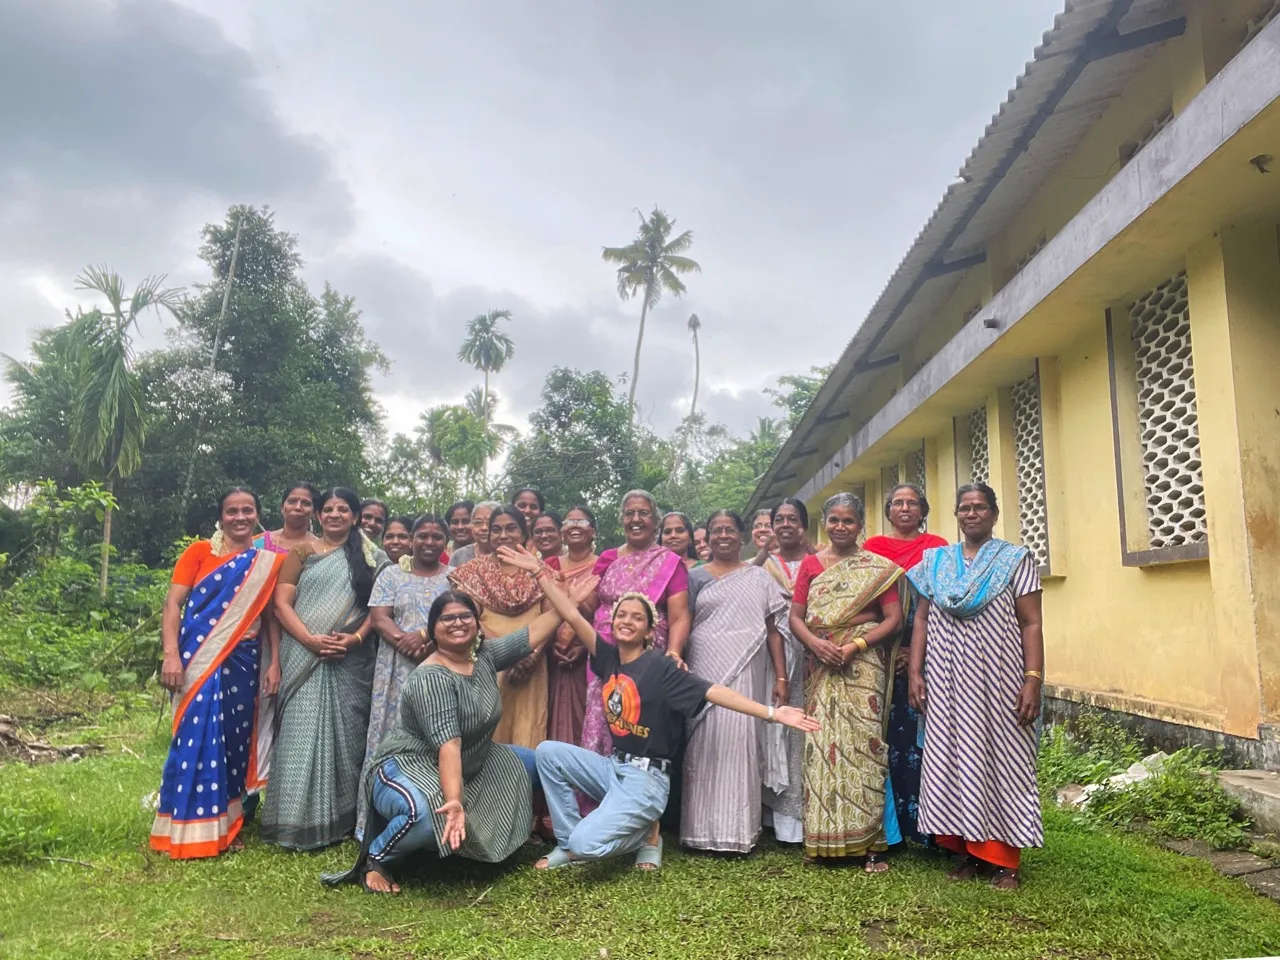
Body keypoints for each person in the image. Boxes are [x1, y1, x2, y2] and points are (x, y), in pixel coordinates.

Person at [507, 545, 820, 872]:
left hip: (648, 779)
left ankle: (645, 835)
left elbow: (714, 691)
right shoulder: (608, 657)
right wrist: (539, 572)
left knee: (588, 844)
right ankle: (570, 841)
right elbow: (571, 614)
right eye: (622, 615)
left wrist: (772, 713)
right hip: (613, 769)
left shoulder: (661, 667)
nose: (627, 620)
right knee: (547, 753)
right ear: (612, 622)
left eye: (637, 617)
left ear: (648, 630)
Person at [325, 576, 600, 894]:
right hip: (409, 766)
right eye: (447, 618)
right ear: (434, 628)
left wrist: (569, 605)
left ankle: (565, 843)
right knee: (426, 816)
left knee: (538, 763)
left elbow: (531, 635)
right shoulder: (432, 677)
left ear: (476, 623)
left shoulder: (482, 656)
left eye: (465, 616)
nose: (457, 623)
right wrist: (454, 801)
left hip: (474, 759)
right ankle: (378, 858)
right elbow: (449, 745)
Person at [908, 483, 1044, 890]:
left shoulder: (1014, 559)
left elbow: (1031, 622)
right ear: (956, 514)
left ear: (994, 514)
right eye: (965, 508)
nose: (972, 514)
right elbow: (920, 619)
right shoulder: (934, 561)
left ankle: (1005, 861)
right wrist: (916, 672)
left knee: (1004, 762)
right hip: (947, 684)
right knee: (953, 760)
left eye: (980, 507)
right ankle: (968, 852)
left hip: (999, 681)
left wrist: (1032, 679)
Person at [151, 488, 284, 859]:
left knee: (233, 742)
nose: (239, 517)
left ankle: (229, 825)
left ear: (257, 515)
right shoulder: (199, 553)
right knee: (193, 737)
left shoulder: (264, 562)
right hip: (199, 658)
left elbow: (271, 616)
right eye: (231, 511)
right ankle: (180, 822)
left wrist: (275, 663)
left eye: (247, 510)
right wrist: (171, 656)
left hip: (245, 659)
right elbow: (172, 605)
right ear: (221, 516)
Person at [261, 487, 389, 850]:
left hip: (351, 661)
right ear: (319, 516)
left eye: (343, 510)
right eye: (329, 510)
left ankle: (341, 819)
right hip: (303, 655)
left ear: (355, 516)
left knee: (347, 738)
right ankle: (290, 822)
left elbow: (378, 609)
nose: (335, 515)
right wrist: (309, 640)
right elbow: (281, 604)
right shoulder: (302, 551)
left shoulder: (372, 557)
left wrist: (356, 640)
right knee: (298, 734)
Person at [790, 492, 903, 870]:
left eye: (848, 521)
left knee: (865, 746)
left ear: (860, 525)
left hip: (862, 663)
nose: (841, 527)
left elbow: (893, 619)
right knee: (820, 745)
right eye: (834, 520)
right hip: (819, 662)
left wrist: (855, 645)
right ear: (825, 523)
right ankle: (821, 842)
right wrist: (815, 644)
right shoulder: (810, 565)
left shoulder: (876, 568)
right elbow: (795, 617)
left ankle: (872, 844)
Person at [680, 510, 788, 853]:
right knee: (703, 745)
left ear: (741, 536)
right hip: (703, 667)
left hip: (746, 669)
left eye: (729, 530)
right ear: (707, 537)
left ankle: (739, 832)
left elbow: (774, 631)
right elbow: (683, 621)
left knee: (741, 740)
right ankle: (698, 832)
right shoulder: (694, 577)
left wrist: (781, 677)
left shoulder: (758, 577)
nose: (723, 535)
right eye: (715, 530)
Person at [864, 484, 949, 848]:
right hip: (878, 654)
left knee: (927, 740)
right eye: (897, 502)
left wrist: (914, 654)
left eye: (912, 503)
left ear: (922, 510)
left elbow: (942, 605)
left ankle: (931, 827)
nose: (904, 508)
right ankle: (890, 829)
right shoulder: (872, 550)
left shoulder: (938, 548)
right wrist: (889, 649)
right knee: (884, 738)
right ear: (888, 510)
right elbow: (864, 605)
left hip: (929, 655)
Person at [357, 515, 453, 838]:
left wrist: (429, 641)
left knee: (436, 736)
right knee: (389, 735)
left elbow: (462, 620)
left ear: (446, 542)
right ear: (412, 539)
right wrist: (406, 642)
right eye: (422, 536)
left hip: (442, 667)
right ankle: (376, 820)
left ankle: (433, 817)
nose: (429, 542)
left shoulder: (455, 579)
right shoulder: (391, 575)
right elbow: (379, 617)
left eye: (436, 537)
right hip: (396, 669)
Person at [583, 490, 691, 756]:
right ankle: (596, 794)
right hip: (604, 655)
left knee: (636, 721)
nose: (636, 519)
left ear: (655, 521)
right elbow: (590, 606)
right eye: (629, 513)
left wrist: (674, 652)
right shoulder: (608, 558)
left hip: (646, 657)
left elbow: (679, 616)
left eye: (643, 513)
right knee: (600, 721)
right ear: (622, 520)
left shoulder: (668, 562)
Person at [449, 506, 549, 750]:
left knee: (528, 732)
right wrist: (512, 653)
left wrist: (532, 654)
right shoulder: (472, 573)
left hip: (532, 666)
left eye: (511, 528)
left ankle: (525, 787)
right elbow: (470, 619)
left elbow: (552, 615)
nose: (503, 535)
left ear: (524, 532)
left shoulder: (541, 570)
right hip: (490, 661)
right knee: (489, 732)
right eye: (497, 529)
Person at [758, 497, 813, 845]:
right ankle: (779, 821)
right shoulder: (763, 567)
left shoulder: (821, 561)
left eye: (793, 519)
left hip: (814, 656)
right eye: (780, 519)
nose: (786, 524)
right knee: (778, 732)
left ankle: (811, 817)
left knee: (806, 732)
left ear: (804, 525)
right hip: (773, 656)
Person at [544, 507, 598, 751]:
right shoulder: (549, 565)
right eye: (568, 522)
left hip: (589, 659)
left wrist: (585, 649)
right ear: (562, 533)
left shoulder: (604, 567)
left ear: (594, 532)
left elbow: (605, 615)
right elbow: (540, 612)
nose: (575, 526)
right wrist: (547, 645)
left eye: (582, 521)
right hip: (550, 657)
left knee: (584, 720)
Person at [255, 483, 321, 555]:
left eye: (305, 503)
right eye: (292, 501)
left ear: (314, 512)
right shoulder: (258, 543)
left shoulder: (319, 549)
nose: (297, 507)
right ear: (282, 507)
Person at [449, 500, 500, 568]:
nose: (484, 528)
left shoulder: (511, 554)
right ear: (472, 526)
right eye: (478, 522)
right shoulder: (459, 556)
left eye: (489, 522)